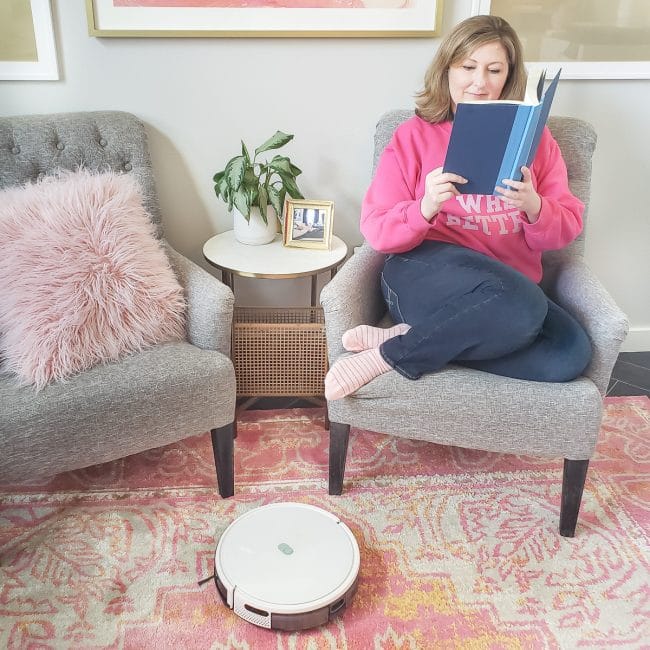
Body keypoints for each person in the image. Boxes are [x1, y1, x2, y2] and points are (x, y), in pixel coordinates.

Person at [325, 14, 592, 401]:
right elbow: (376, 230)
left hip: (508, 290)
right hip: (424, 276)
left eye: (494, 70)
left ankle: (418, 338)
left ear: (508, 76)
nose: (479, 83)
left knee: (570, 353)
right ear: (447, 68)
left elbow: (567, 226)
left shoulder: (538, 141)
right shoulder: (412, 137)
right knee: (523, 307)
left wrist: (534, 206)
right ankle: (391, 356)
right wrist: (425, 206)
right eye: (468, 67)